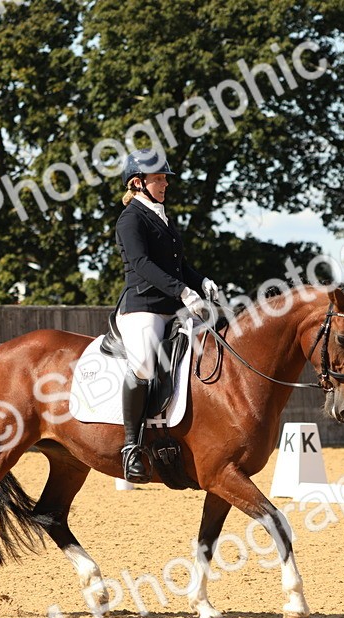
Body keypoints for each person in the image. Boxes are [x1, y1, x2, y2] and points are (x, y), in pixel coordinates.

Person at [114, 149, 220, 483]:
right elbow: (143, 265)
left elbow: (178, 265)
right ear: (138, 182)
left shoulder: (162, 217)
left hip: (173, 306)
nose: (164, 185)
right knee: (145, 363)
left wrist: (200, 281)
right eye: (158, 179)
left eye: (164, 179)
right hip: (143, 307)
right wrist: (183, 292)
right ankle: (131, 448)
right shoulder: (131, 219)